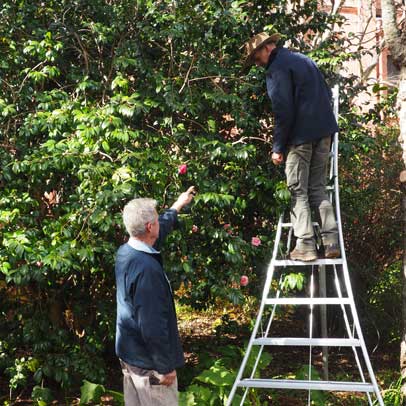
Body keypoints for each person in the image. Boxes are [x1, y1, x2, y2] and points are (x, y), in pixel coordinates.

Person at [242, 32, 340, 261]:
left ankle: (305, 244)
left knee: (297, 190)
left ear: (267, 48)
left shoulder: (277, 68)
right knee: (317, 188)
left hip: (301, 138)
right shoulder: (304, 60)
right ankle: (331, 240)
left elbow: (283, 110)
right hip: (324, 133)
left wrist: (278, 147)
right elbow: (326, 95)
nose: (258, 64)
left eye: (257, 58)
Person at [115, 186, 195, 405]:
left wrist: (178, 205)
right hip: (150, 367)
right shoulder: (147, 270)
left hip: (131, 357)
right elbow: (151, 323)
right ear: (150, 227)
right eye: (157, 220)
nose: (160, 222)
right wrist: (164, 367)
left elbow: (160, 230)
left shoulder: (127, 252)